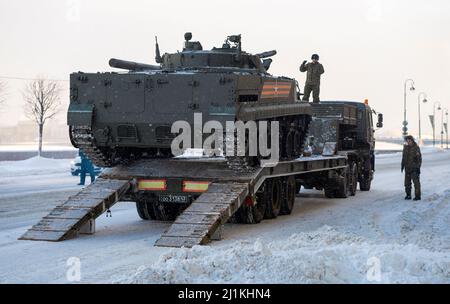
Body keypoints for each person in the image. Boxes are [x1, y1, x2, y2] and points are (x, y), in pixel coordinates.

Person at [401, 135, 422, 200]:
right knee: (407, 183)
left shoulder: (416, 148)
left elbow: (419, 159)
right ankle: (408, 195)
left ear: (412, 140)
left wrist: (418, 167)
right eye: (407, 141)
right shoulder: (405, 148)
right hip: (407, 168)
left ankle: (417, 196)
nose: (408, 142)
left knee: (416, 183)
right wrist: (402, 166)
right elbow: (403, 158)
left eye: (409, 140)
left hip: (414, 168)